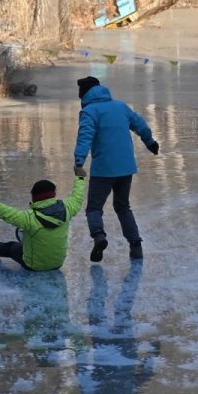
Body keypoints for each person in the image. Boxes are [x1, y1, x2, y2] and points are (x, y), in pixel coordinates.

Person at [73, 76, 159, 262]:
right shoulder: (120, 106)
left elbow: (85, 137)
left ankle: (99, 236)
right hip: (125, 167)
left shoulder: (89, 111)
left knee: (94, 208)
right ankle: (136, 246)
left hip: (103, 169)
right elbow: (140, 124)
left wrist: (79, 161)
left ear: (84, 94)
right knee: (123, 206)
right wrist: (150, 143)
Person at [0, 174, 86, 271]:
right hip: (58, 264)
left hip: (35, 265)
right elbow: (78, 196)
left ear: (35, 197)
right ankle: (29, 238)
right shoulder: (67, 208)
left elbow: (3, 211)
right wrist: (80, 177)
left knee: (12, 247)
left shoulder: (29, 218)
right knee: (32, 232)